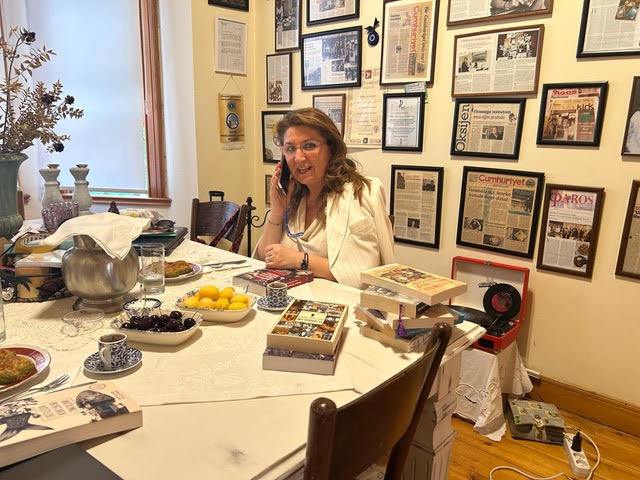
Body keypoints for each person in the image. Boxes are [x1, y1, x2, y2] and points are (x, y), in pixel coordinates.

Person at [255, 108, 394, 289]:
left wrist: (300, 260)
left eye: (309, 146)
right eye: (290, 149)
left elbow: (362, 275)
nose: (299, 158)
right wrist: (277, 211)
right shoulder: (293, 198)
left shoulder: (360, 193)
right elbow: (265, 257)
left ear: (331, 148)